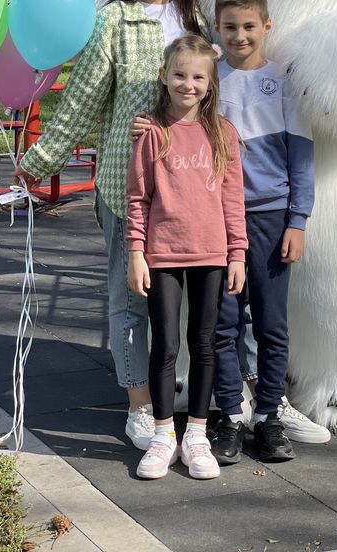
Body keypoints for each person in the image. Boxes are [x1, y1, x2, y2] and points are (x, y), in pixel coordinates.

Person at [15, 0, 206, 451]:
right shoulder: (114, 20)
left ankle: (193, 398)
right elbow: (83, 102)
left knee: (196, 300)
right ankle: (140, 405)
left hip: (192, 189)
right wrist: (40, 160)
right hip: (130, 187)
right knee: (132, 299)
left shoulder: (199, 21)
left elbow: (218, 98)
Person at [133, 0, 330, 461]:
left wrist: (297, 219)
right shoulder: (208, 78)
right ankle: (227, 416)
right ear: (215, 31)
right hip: (213, 226)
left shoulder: (283, 82)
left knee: (270, 324)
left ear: (266, 27)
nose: (240, 35)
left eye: (248, 26)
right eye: (229, 27)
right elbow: (176, 115)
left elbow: (301, 159)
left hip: (268, 218)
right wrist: (147, 124)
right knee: (220, 327)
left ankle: (267, 415)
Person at [126, 35, 247, 480]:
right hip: (163, 255)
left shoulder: (223, 134)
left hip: (212, 256)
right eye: (179, 74)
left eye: (198, 76)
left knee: (205, 342)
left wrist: (238, 253)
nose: (188, 84)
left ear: (211, 83)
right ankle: (163, 435)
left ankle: (196, 433)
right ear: (164, 77)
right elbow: (138, 198)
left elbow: (234, 200)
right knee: (166, 345)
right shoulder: (150, 133)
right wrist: (136, 253)